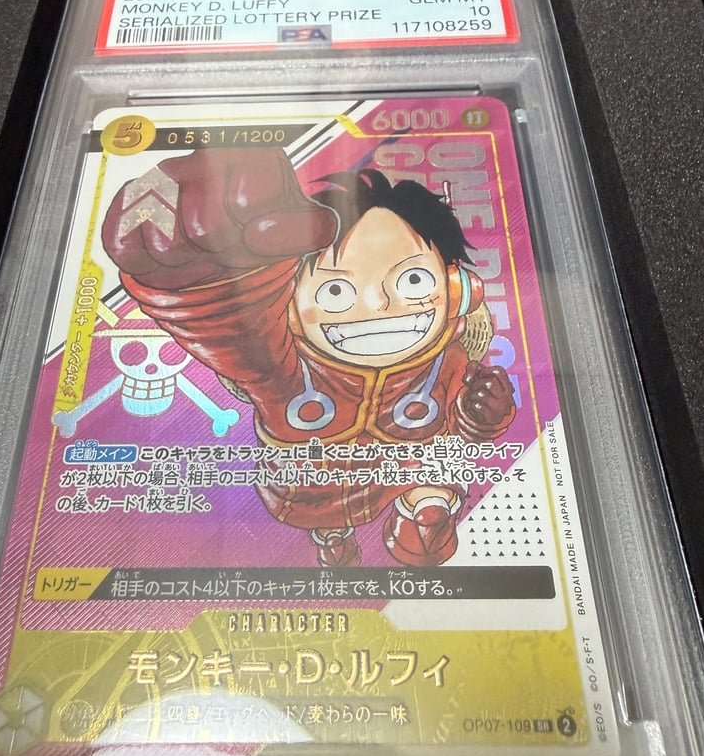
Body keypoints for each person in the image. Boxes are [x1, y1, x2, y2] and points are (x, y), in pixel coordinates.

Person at [102, 147, 515, 567]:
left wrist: (484, 412)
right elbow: (227, 325)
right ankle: (333, 537)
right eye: (336, 290)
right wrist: (189, 276)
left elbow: (466, 425)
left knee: (435, 490)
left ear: (458, 290)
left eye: (412, 280)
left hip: (406, 466)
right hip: (315, 486)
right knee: (327, 520)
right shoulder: (281, 365)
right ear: (293, 306)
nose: (378, 304)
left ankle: (420, 529)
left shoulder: (447, 362)